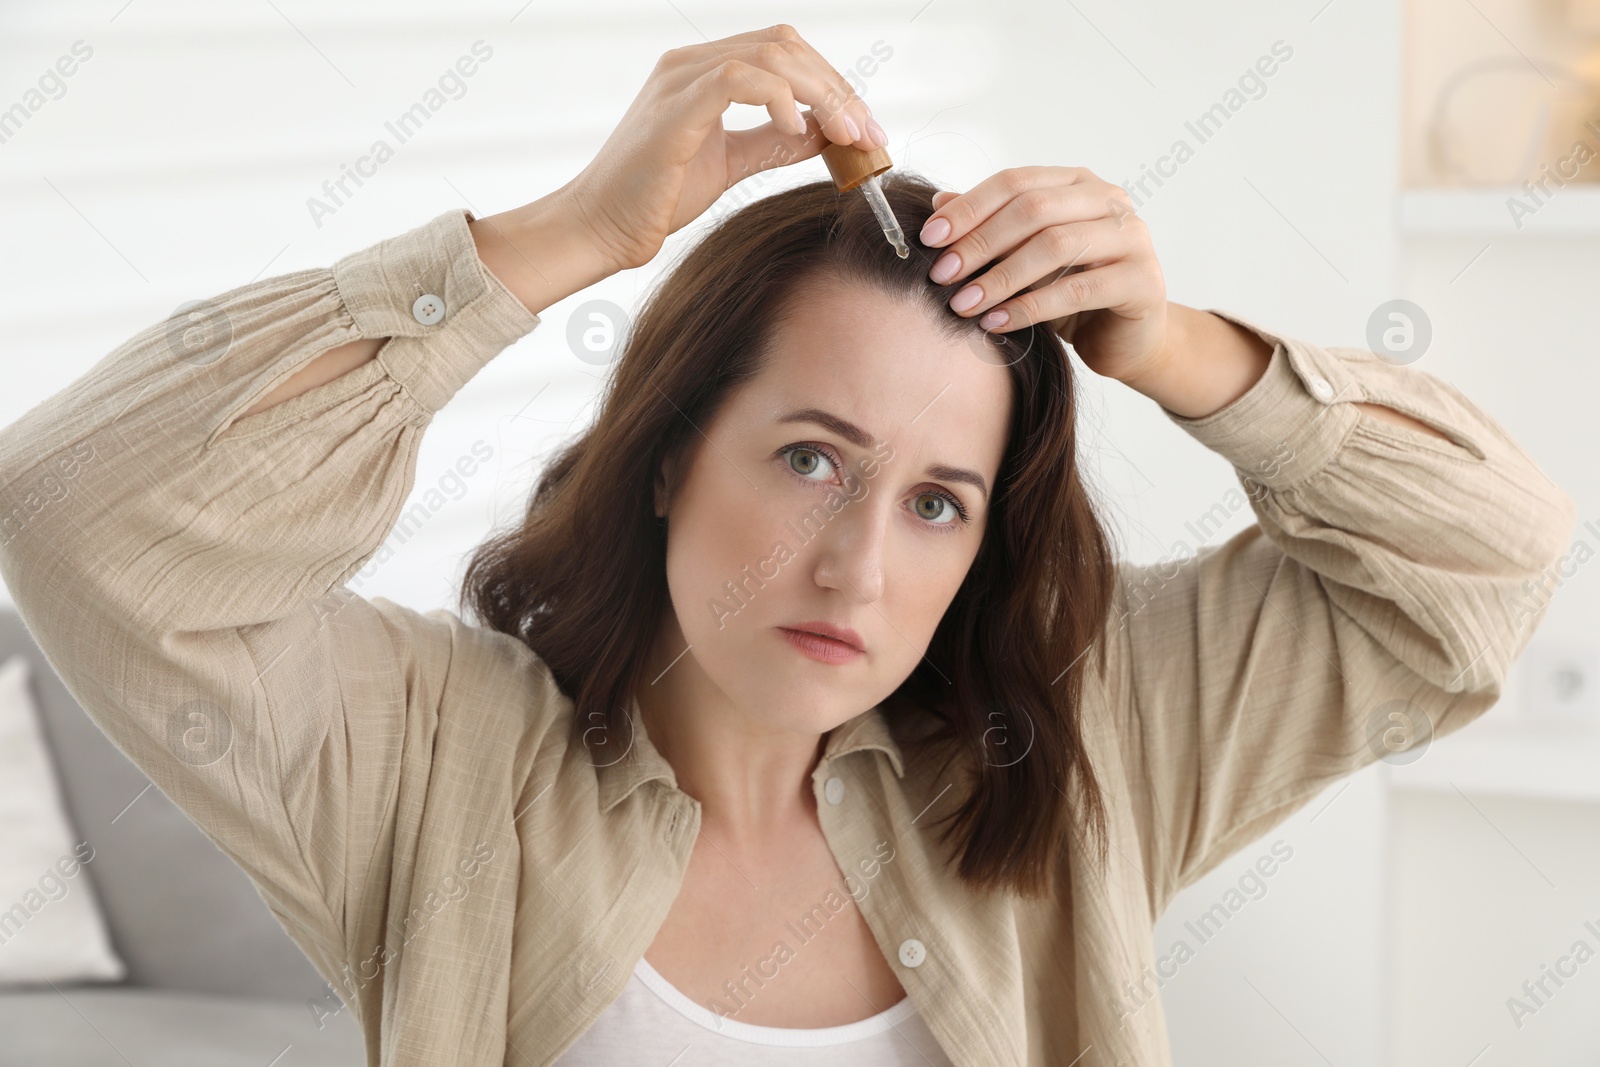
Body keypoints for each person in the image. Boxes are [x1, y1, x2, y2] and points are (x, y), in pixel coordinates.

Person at [0, 22, 1575, 1067]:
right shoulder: (433, 765)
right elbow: (77, 512)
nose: (858, 571)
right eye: (814, 459)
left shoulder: (1091, 743)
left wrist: (1175, 350)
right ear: (674, 454)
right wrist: (563, 238)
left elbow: (1489, 560)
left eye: (936, 500)